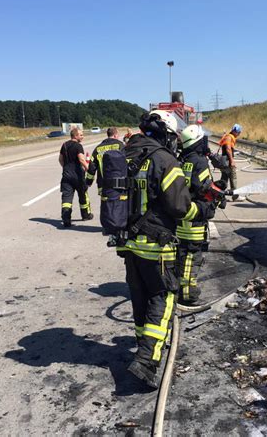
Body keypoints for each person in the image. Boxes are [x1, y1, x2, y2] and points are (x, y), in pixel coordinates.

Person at [116, 110, 215, 389]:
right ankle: (147, 362)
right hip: (157, 244)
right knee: (163, 296)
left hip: (129, 243)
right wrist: (203, 209)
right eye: (171, 137)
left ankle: (142, 345)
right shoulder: (164, 160)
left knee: (140, 296)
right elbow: (180, 207)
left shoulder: (126, 155)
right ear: (165, 135)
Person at [177, 124, 213, 304]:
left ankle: (178, 287)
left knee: (181, 254)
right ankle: (187, 292)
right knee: (192, 254)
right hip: (194, 217)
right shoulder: (199, 162)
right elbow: (204, 188)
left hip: (180, 216)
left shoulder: (182, 159)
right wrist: (216, 196)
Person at [58, 127, 93, 227]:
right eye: (81, 135)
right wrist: (88, 169)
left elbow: (60, 159)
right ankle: (86, 215)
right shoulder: (78, 146)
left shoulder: (64, 145)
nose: (82, 137)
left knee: (67, 198)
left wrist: (66, 168)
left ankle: (66, 219)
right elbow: (82, 159)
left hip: (66, 175)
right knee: (83, 195)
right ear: (75, 135)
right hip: (77, 175)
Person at [86, 127, 124, 196]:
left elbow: (92, 167)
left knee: (106, 205)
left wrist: (89, 181)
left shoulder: (98, 148)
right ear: (115, 135)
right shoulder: (120, 145)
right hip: (119, 183)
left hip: (103, 185)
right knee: (118, 205)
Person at [219, 123, 244, 201]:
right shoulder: (229, 137)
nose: (239, 134)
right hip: (227, 161)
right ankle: (235, 196)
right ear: (235, 131)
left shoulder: (227, 136)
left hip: (224, 160)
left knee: (224, 179)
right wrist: (232, 161)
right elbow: (228, 149)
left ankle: (219, 196)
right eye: (239, 132)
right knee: (233, 177)